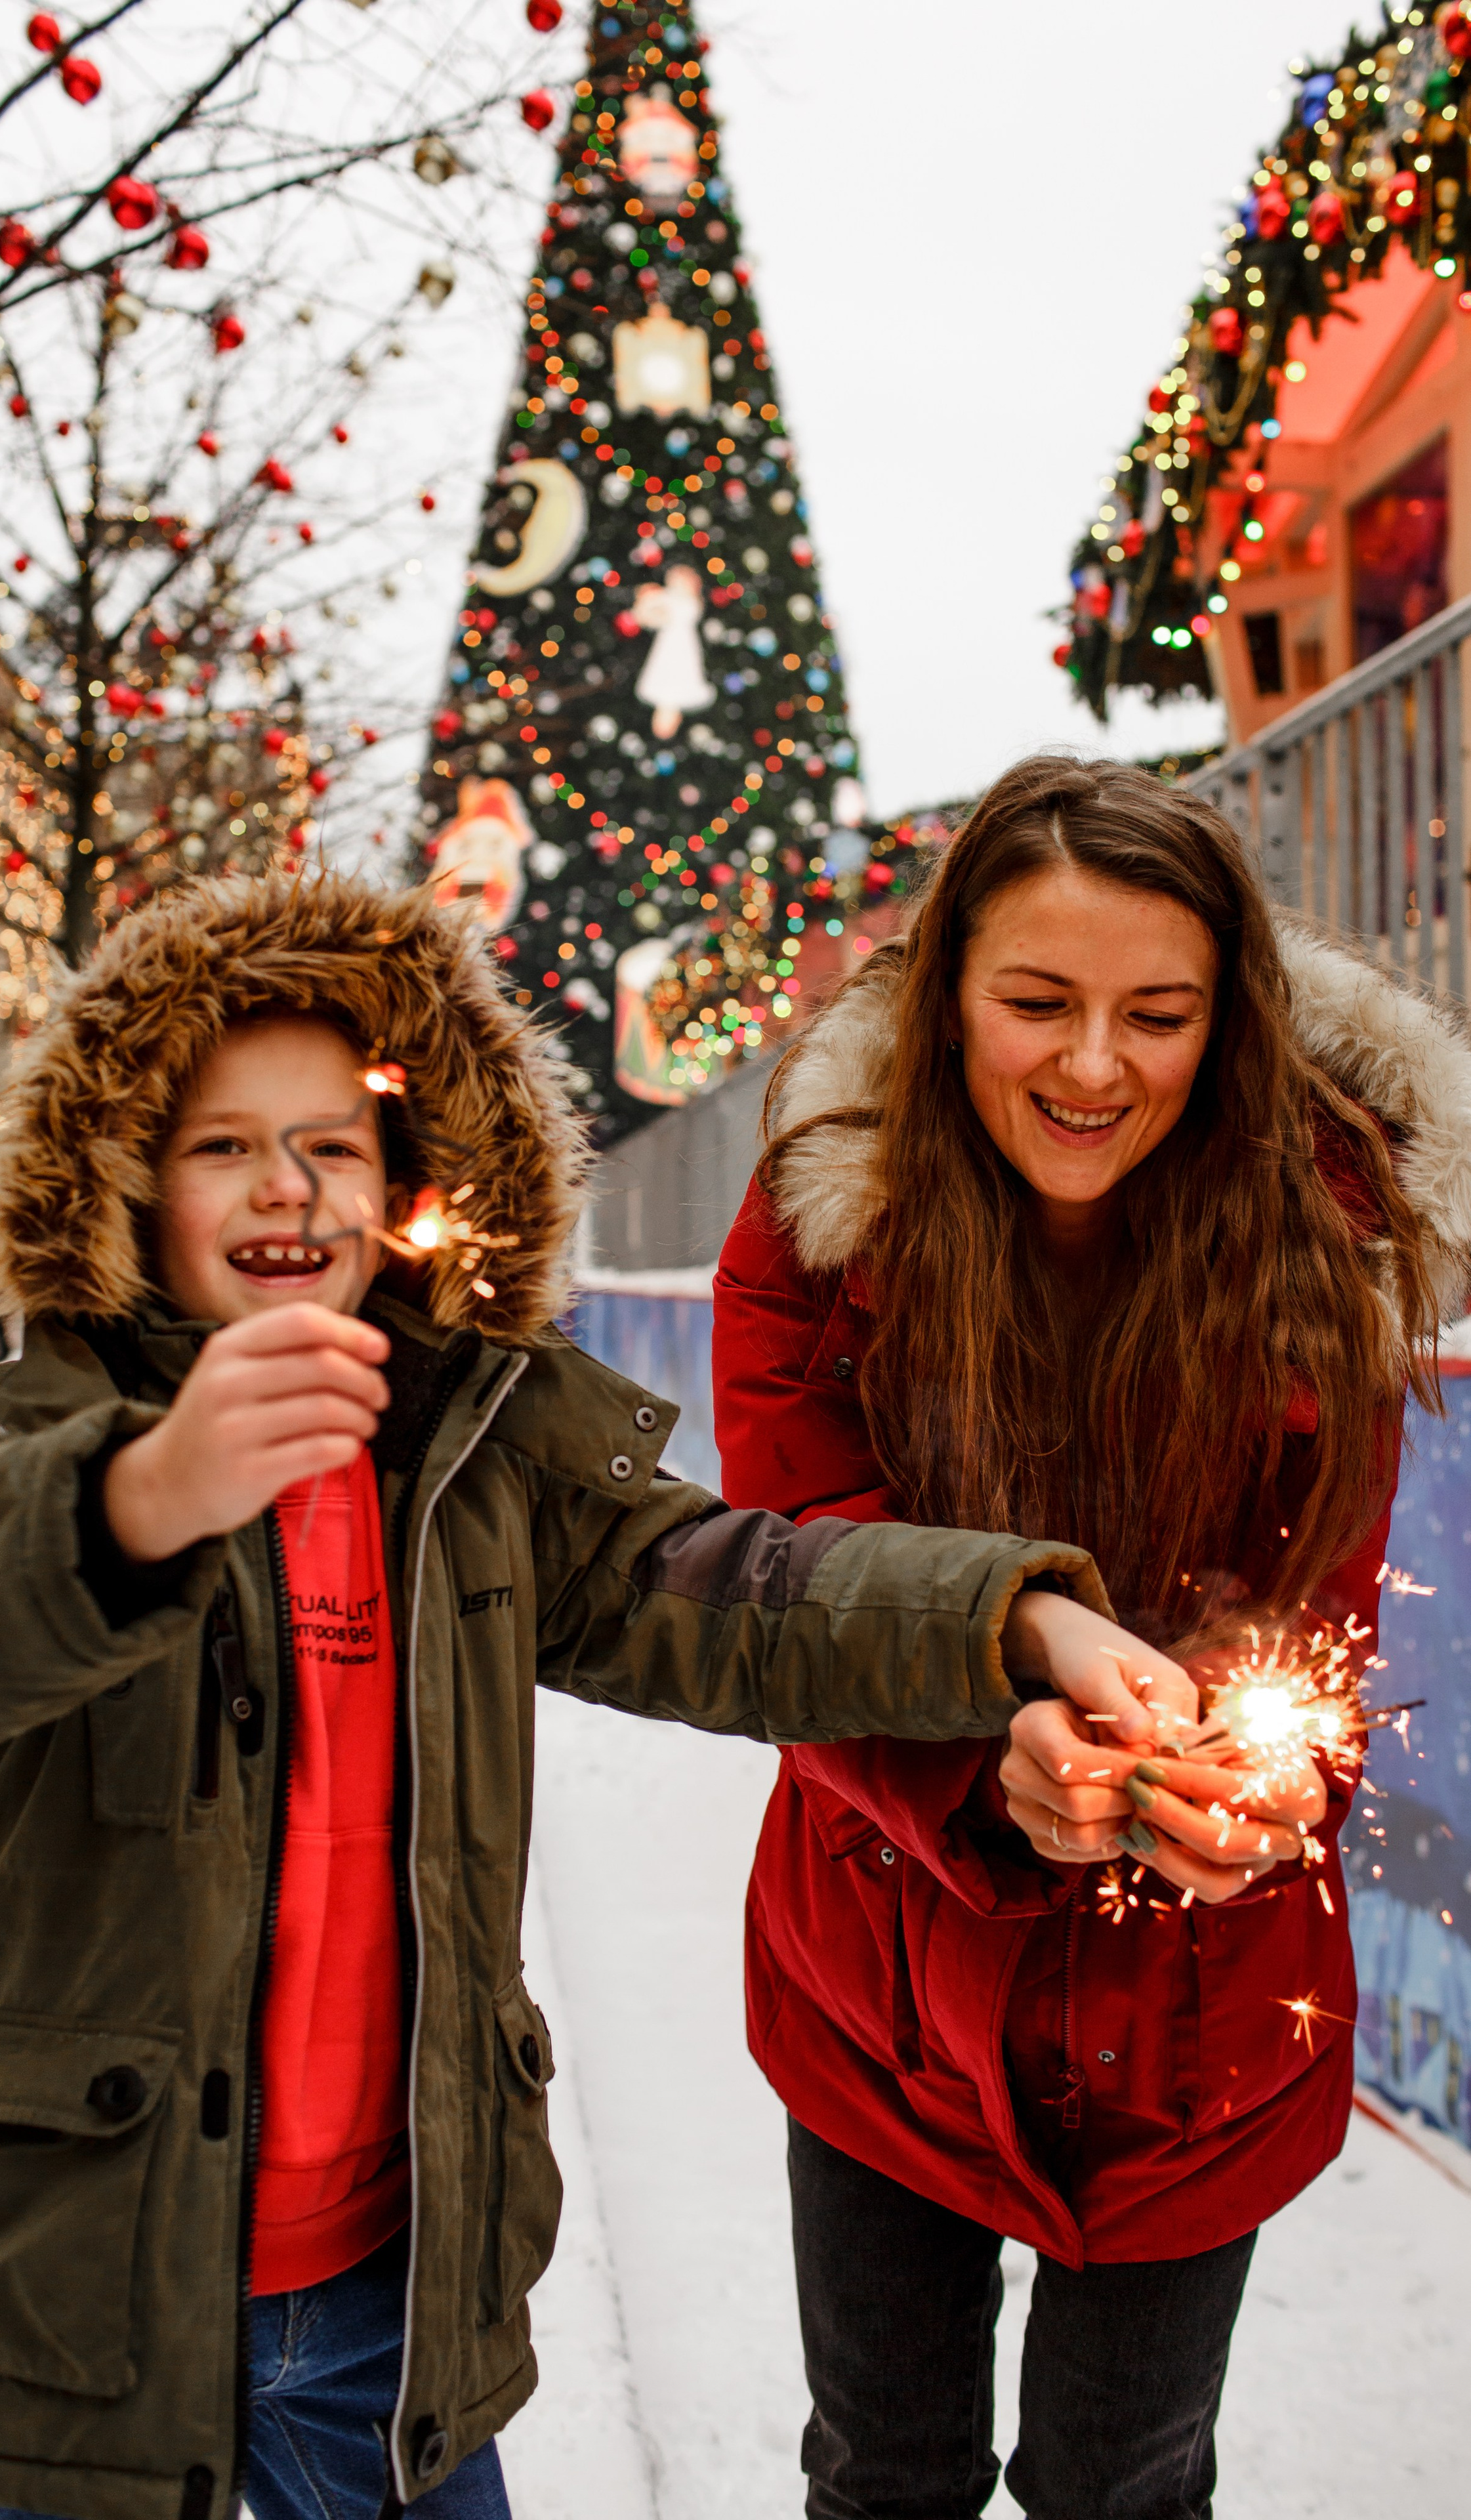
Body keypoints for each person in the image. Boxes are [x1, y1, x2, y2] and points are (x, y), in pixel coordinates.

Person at [0, 868, 1171, 2520]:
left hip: (387, 2315)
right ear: (135, 1180)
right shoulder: (32, 1437)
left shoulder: (473, 1459)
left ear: (405, 1186)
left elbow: (742, 1597)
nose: (281, 1184)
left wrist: (1021, 1622)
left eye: (333, 1145)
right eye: (223, 1144)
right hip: (78, 2311)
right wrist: (139, 1497)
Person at [712, 756, 1471, 2520]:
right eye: (1036, 1002)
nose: (1091, 1066)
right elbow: (788, 1598)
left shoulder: (1325, 1253)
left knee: (1123, 2479)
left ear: (1233, 1029)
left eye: (1159, 1014)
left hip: (1201, 2012)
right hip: (878, 1963)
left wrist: (1268, 1801)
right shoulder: (821, 1231)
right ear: (947, 994)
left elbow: (1321, 1640)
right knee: (886, 2467)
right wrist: (988, 1764)